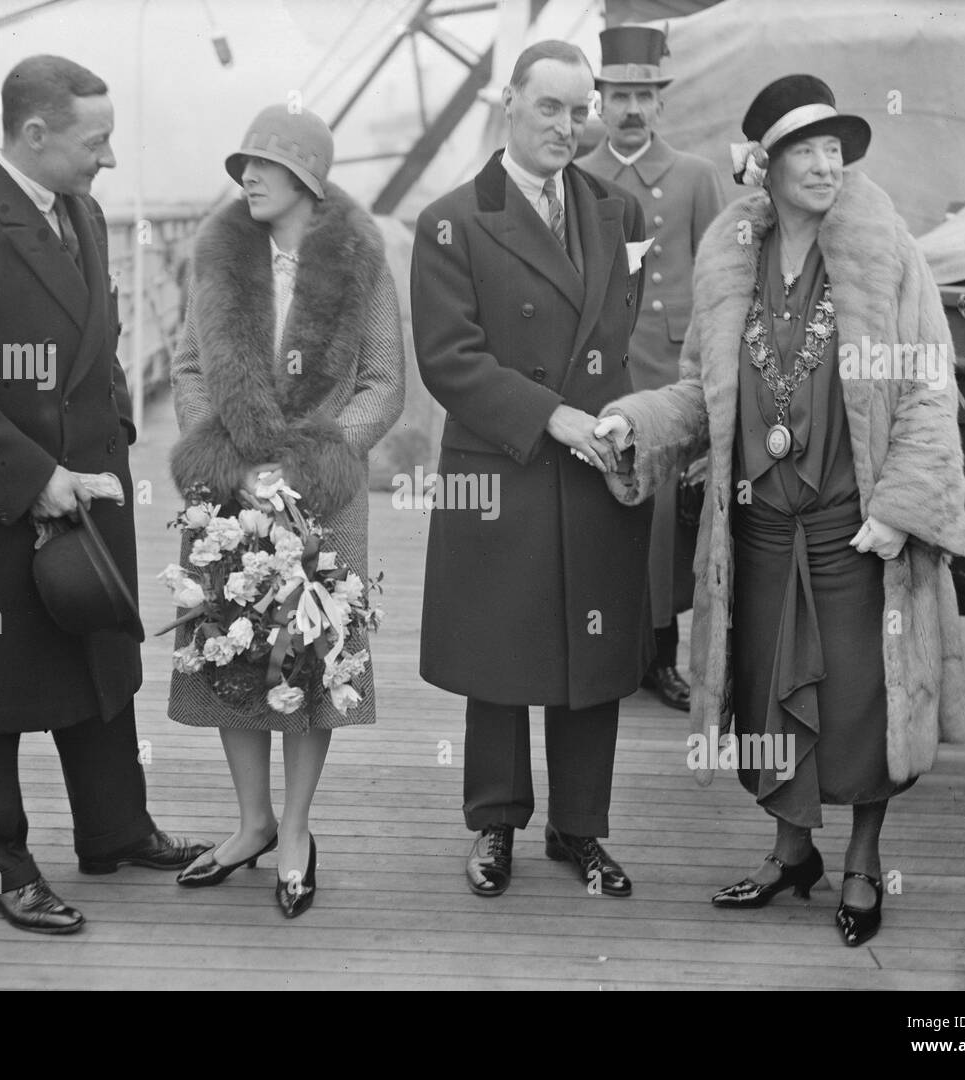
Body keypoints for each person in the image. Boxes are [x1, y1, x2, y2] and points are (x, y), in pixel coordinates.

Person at [595, 75, 965, 946]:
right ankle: (791, 850)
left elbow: (926, 389)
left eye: (836, 146)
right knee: (768, 702)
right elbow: (701, 393)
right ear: (764, 163)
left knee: (861, 702)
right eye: (806, 148)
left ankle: (864, 863)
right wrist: (635, 421)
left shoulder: (887, 253)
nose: (826, 162)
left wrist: (903, 506)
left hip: (856, 530)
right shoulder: (731, 258)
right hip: (758, 530)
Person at [0, 55, 209, 936]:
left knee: (95, 660)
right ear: (34, 134)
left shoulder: (83, 213)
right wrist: (36, 478)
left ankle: (114, 830)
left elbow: (95, 343)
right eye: (94, 141)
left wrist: (113, 434)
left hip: (88, 492)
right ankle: (0, 869)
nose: (108, 158)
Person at [411, 41, 652, 899]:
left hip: (597, 464)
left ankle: (580, 829)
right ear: (507, 101)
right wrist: (551, 416)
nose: (567, 125)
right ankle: (494, 824)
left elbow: (619, 341)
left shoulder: (618, 211)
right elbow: (448, 360)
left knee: (591, 659)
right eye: (548, 106)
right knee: (501, 655)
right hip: (505, 463)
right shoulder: (450, 218)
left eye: (577, 109)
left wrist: (630, 426)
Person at [166, 104, 405, 919]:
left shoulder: (361, 264)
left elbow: (382, 383)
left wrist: (313, 463)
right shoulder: (219, 258)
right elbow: (188, 367)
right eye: (243, 165)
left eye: (264, 165)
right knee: (231, 657)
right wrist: (228, 458)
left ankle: (296, 831)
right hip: (231, 495)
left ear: (307, 178)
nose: (247, 177)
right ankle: (251, 825)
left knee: (310, 662)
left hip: (323, 502)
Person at [577, 24, 723, 712]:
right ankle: (607, 650)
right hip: (601, 371)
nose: (632, 108)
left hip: (670, 369)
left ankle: (660, 658)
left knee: (666, 518)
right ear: (599, 102)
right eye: (619, 95)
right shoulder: (577, 178)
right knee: (601, 509)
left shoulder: (694, 177)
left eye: (644, 95)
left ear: (660, 103)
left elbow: (721, 283)